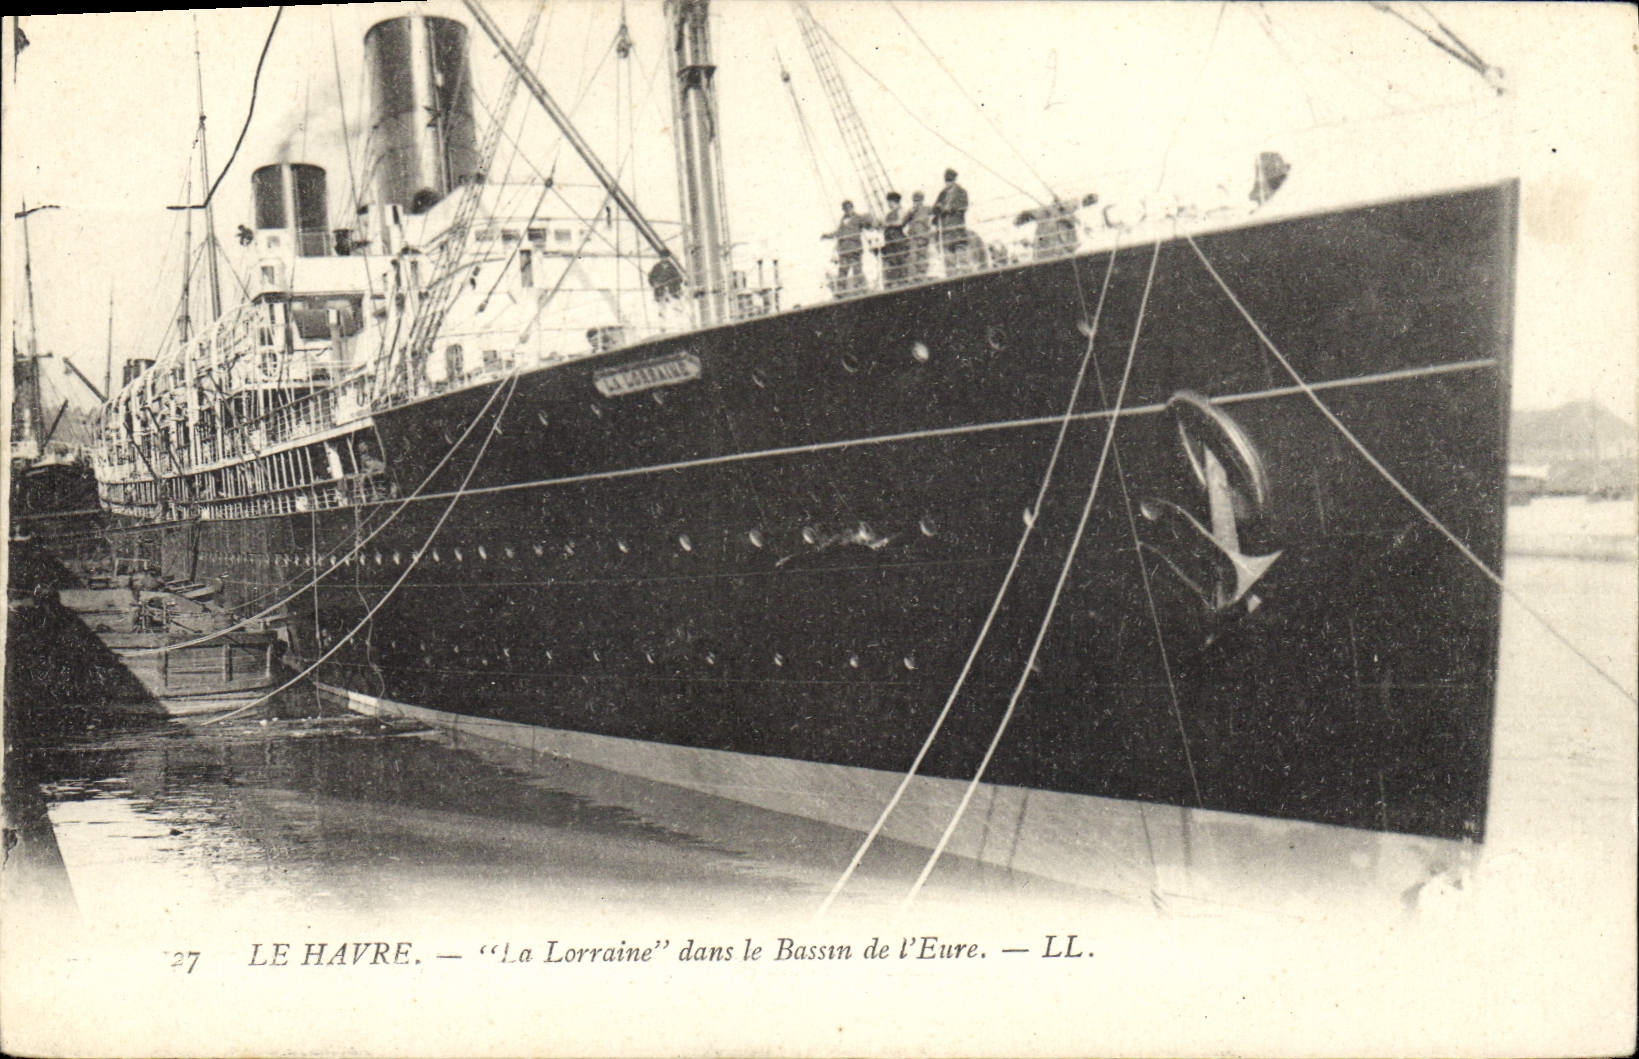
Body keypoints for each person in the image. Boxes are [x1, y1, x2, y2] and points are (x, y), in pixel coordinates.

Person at [822, 200, 875, 295]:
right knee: (843, 271)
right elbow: (838, 232)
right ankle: (841, 292)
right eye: (845, 209)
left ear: (852, 208)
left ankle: (862, 289)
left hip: (855, 248)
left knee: (857, 269)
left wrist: (870, 219)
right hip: (844, 250)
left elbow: (868, 224)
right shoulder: (843, 221)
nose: (847, 210)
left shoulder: (858, 218)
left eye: (849, 208)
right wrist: (827, 236)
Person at [932, 168, 969, 274]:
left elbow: (964, 206)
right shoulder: (942, 194)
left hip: (957, 228)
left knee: (961, 255)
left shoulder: (961, 192)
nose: (948, 183)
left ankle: (965, 275)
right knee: (948, 259)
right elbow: (935, 208)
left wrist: (951, 208)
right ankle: (952, 276)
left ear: (954, 180)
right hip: (945, 231)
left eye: (950, 180)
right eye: (947, 181)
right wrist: (939, 207)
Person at [880, 192, 910, 288]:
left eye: (890, 202)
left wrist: (889, 224)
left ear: (894, 202)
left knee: (901, 260)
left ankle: (904, 281)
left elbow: (900, 222)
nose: (889, 204)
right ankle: (896, 282)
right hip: (890, 242)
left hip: (898, 240)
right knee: (892, 262)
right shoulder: (888, 214)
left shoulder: (900, 210)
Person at [905, 191, 933, 281]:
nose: (916, 203)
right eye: (915, 201)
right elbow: (904, 221)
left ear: (922, 200)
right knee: (913, 256)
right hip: (913, 236)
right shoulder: (911, 211)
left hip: (922, 236)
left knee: (922, 255)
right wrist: (910, 213)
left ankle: (921, 275)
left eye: (918, 200)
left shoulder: (926, 209)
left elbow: (935, 211)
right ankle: (913, 276)